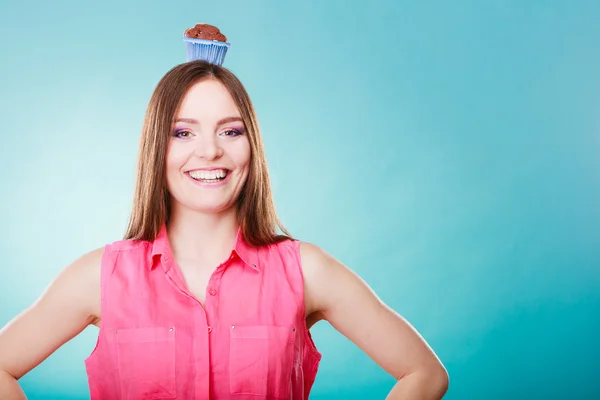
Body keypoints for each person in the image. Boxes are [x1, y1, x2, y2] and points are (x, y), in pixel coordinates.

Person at [0, 60, 449, 400]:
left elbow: (425, 374)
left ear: (251, 145)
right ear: (157, 147)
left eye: (230, 131)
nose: (210, 151)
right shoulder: (99, 276)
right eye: (183, 133)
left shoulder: (305, 270)